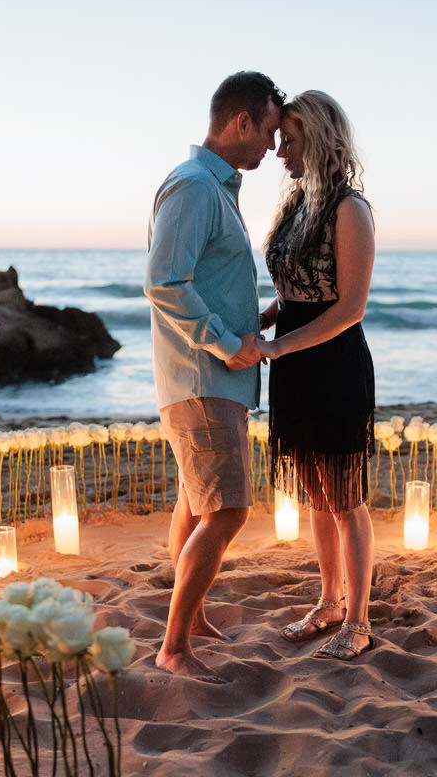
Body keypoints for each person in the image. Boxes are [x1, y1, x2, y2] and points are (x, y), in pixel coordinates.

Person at [145, 71, 284, 682]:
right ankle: (173, 648)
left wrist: (262, 319)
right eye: (270, 132)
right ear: (243, 122)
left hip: (209, 379)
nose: (273, 149)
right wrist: (228, 345)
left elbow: (206, 284)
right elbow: (165, 282)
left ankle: (192, 621)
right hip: (202, 379)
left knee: (197, 505)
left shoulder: (215, 189)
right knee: (227, 512)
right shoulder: (196, 188)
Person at [258, 91, 377, 660]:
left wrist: (275, 348)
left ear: (319, 139)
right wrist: (266, 320)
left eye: (291, 139)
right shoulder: (296, 206)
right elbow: (295, 291)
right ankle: (329, 600)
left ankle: (358, 620)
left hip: (332, 364)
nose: (280, 150)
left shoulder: (349, 209)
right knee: (316, 493)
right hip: (294, 361)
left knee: (346, 497)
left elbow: (349, 306)